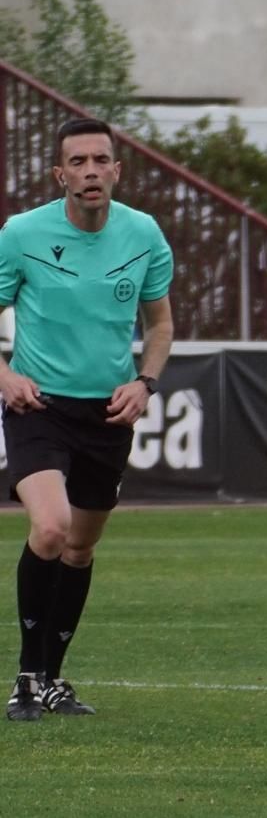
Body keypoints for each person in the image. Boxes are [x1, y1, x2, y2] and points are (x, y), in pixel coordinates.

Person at [2, 118, 174, 720]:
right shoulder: (21, 234)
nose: (91, 171)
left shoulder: (144, 234)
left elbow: (159, 324)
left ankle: (53, 678)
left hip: (108, 412)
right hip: (38, 406)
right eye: (78, 162)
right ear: (60, 174)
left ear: (117, 171)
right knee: (50, 528)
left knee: (79, 549)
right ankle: (25, 677)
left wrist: (145, 383)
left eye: (101, 160)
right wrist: (5, 375)